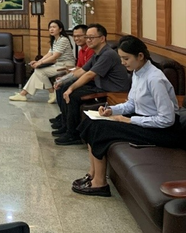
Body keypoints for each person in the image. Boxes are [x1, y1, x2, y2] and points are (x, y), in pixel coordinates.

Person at [72, 35, 183, 197]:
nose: (123, 63)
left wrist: (129, 120)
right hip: (145, 119)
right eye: (121, 58)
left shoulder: (155, 79)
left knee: (99, 128)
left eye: (126, 58)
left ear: (140, 56)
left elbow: (167, 119)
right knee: (92, 121)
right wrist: (112, 110)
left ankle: (99, 184)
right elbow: (132, 103)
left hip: (164, 131)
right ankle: (93, 174)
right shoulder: (138, 72)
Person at [54, 24, 131, 146]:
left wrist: (71, 88)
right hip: (101, 86)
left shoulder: (108, 54)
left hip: (112, 91)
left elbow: (90, 74)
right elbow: (82, 70)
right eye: (87, 37)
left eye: (91, 37)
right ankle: (66, 125)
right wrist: (62, 81)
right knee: (64, 87)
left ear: (102, 38)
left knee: (73, 95)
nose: (88, 40)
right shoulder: (97, 53)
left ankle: (73, 135)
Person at [9, 20, 75, 103]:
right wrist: (37, 61)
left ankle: (51, 92)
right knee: (37, 73)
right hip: (58, 65)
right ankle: (23, 94)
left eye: (54, 27)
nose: (51, 29)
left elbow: (54, 56)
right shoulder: (55, 40)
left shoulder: (63, 40)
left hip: (66, 66)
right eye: (50, 27)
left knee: (39, 71)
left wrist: (39, 63)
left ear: (60, 29)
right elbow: (49, 54)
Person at [50, 24, 94, 129]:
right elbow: (78, 68)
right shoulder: (81, 51)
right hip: (82, 77)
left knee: (65, 87)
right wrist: (64, 78)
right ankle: (64, 118)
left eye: (79, 36)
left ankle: (68, 125)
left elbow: (86, 72)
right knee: (60, 84)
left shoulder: (91, 51)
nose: (76, 39)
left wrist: (66, 80)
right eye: (74, 36)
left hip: (90, 81)